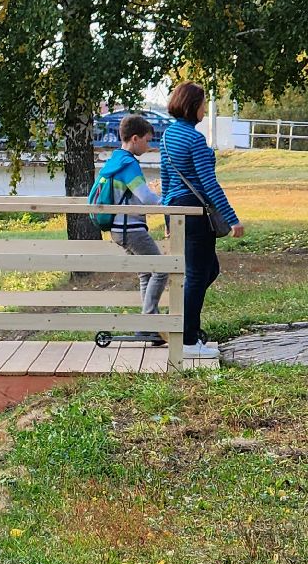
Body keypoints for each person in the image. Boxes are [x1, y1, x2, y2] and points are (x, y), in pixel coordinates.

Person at [159, 82, 242, 359]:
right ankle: (187, 340)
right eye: (203, 104)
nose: (205, 109)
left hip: (177, 210)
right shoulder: (194, 140)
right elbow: (209, 184)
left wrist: (168, 220)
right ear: (192, 105)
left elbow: (166, 181)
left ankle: (182, 325)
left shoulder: (168, 135)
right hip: (195, 212)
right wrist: (232, 219)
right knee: (197, 275)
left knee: (208, 271)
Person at [96, 114, 166, 340]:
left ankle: (147, 324)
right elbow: (145, 197)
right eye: (147, 140)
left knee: (147, 272)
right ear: (134, 138)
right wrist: (167, 201)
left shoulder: (114, 160)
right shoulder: (129, 164)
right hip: (131, 228)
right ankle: (148, 323)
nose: (149, 146)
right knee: (162, 268)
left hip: (118, 229)